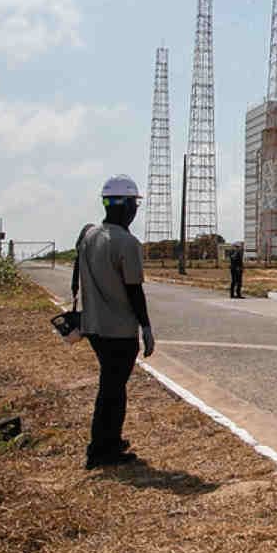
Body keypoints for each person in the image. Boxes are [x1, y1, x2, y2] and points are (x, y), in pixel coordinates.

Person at [76, 175, 154, 470]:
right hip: (119, 330)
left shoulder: (88, 236)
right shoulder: (127, 242)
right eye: (134, 204)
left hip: (93, 326)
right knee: (113, 390)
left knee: (110, 386)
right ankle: (101, 450)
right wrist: (146, 327)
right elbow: (134, 290)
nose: (135, 210)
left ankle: (109, 439)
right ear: (126, 206)